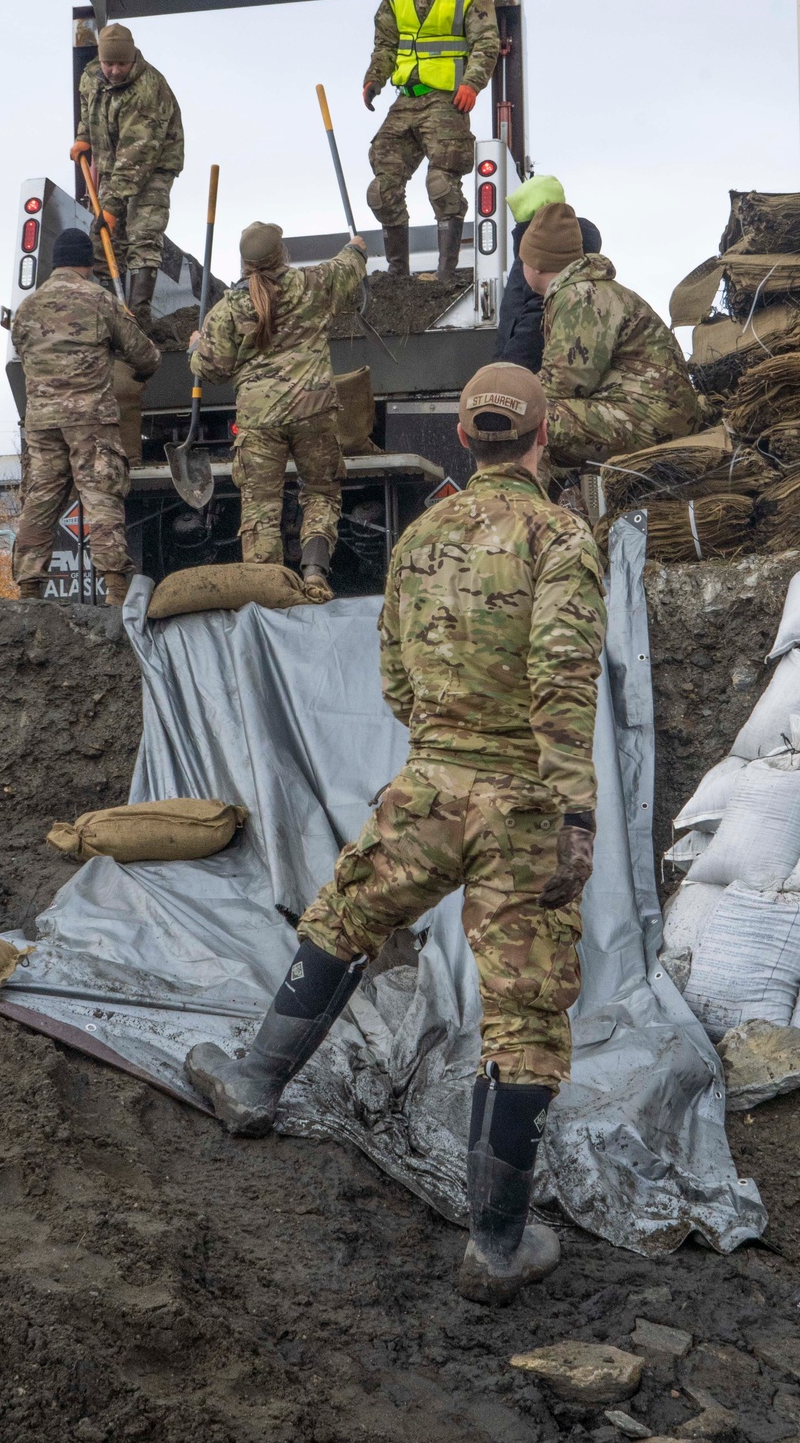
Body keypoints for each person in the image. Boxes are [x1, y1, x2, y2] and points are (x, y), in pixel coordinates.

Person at [184, 363, 605, 1306]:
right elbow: (564, 679)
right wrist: (574, 812)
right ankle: (496, 1247)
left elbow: (398, 684)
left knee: (343, 914)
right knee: (525, 1013)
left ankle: (254, 1084)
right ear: (541, 440)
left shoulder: (420, 538)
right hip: (524, 798)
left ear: (464, 437)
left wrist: (441, 751)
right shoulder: (561, 536)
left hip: (430, 781)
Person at [189, 222, 367, 596]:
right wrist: (356, 247)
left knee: (260, 506)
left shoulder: (229, 308)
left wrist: (195, 347)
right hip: (314, 411)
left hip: (259, 420)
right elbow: (349, 265)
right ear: (281, 254)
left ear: (244, 262)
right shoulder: (314, 283)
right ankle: (315, 570)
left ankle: (267, 589)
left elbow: (211, 369)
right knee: (321, 492)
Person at [11, 228, 160, 606]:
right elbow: (144, 355)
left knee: (39, 500)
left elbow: (22, 351)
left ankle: (28, 589)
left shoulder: (27, 308)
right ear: (89, 263)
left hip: (41, 423)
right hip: (91, 420)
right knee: (101, 498)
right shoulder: (99, 300)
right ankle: (115, 590)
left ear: (55, 262)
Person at [363, 0, 500, 281]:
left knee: (441, 183)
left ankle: (446, 272)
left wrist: (472, 84)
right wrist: (374, 78)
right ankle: (397, 272)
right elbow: (386, 43)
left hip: (446, 98)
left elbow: (486, 43)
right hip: (406, 98)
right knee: (382, 187)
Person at [522, 202, 701, 474]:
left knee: (525, 419)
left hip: (650, 420)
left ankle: (523, 512)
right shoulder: (586, 290)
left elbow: (563, 384)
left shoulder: (579, 296)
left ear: (534, 265)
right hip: (652, 414)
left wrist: (505, 394)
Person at [70, 22, 184, 328]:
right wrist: (84, 137)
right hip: (113, 165)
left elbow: (138, 157)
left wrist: (112, 206)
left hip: (153, 167)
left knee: (142, 236)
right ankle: (110, 313)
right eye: (109, 63)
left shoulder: (149, 90)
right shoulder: (92, 75)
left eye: (122, 63)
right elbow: (87, 106)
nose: (115, 71)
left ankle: (138, 319)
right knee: (105, 237)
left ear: (132, 58)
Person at [495, 176, 602, 372]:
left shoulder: (543, 249)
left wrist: (507, 368)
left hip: (531, 366)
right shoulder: (575, 241)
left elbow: (535, 314)